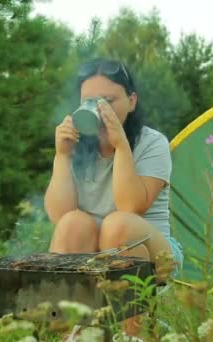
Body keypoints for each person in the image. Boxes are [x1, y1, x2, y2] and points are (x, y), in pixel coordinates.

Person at [44, 57, 184, 339]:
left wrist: (120, 144)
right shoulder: (77, 146)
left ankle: (132, 335)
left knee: (118, 224)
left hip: (152, 249)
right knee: (72, 223)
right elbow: (60, 217)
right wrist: (62, 155)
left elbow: (131, 206)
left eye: (108, 100)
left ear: (131, 101)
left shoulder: (151, 142)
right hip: (92, 250)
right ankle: (69, 335)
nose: (98, 109)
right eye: (89, 100)